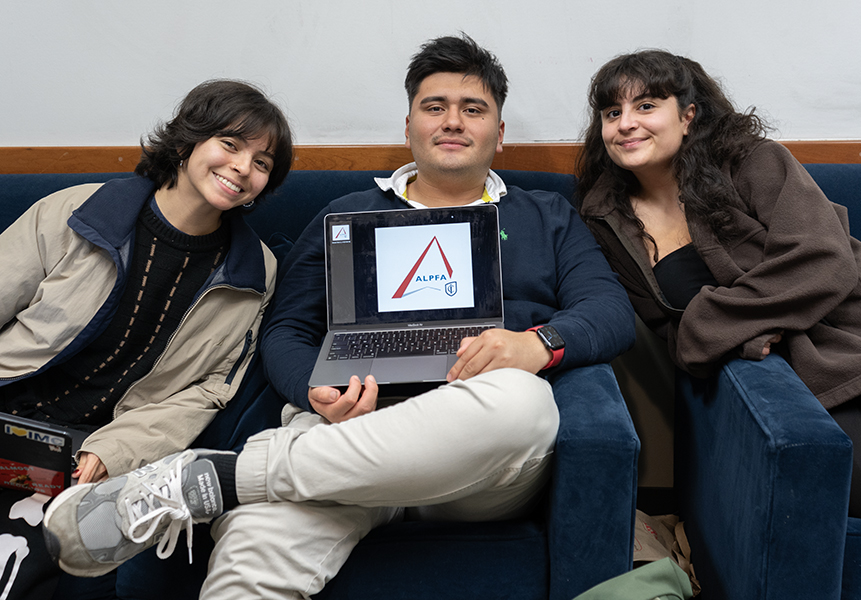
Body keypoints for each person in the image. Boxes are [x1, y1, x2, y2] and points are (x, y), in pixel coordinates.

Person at [42, 34, 635, 598]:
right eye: (435, 106)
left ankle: (224, 477)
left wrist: (537, 345)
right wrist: (315, 388)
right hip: (346, 434)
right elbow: (287, 328)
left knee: (523, 404)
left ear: (499, 133)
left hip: (478, 454)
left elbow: (610, 311)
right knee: (255, 545)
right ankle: (227, 485)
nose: (453, 120)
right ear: (409, 126)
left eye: (472, 108)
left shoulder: (547, 215)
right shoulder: (346, 213)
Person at [575, 49, 861, 526]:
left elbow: (823, 261)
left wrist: (716, 321)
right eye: (612, 112)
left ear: (687, 116)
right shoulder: (604, 216)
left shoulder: (753, 162)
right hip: (794, 379)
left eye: (646, 106)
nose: (625, 124)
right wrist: (736, 330)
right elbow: (670, 330)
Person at [1, 79, 293, 599]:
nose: (243, 167)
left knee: (31, 559)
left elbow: (207, 391)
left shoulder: (256, 274)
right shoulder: (74, 212)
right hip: (7, 410)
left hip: (81, 457)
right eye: (230, 144)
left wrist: (115, 452)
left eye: (262, 162)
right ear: (185, 144)